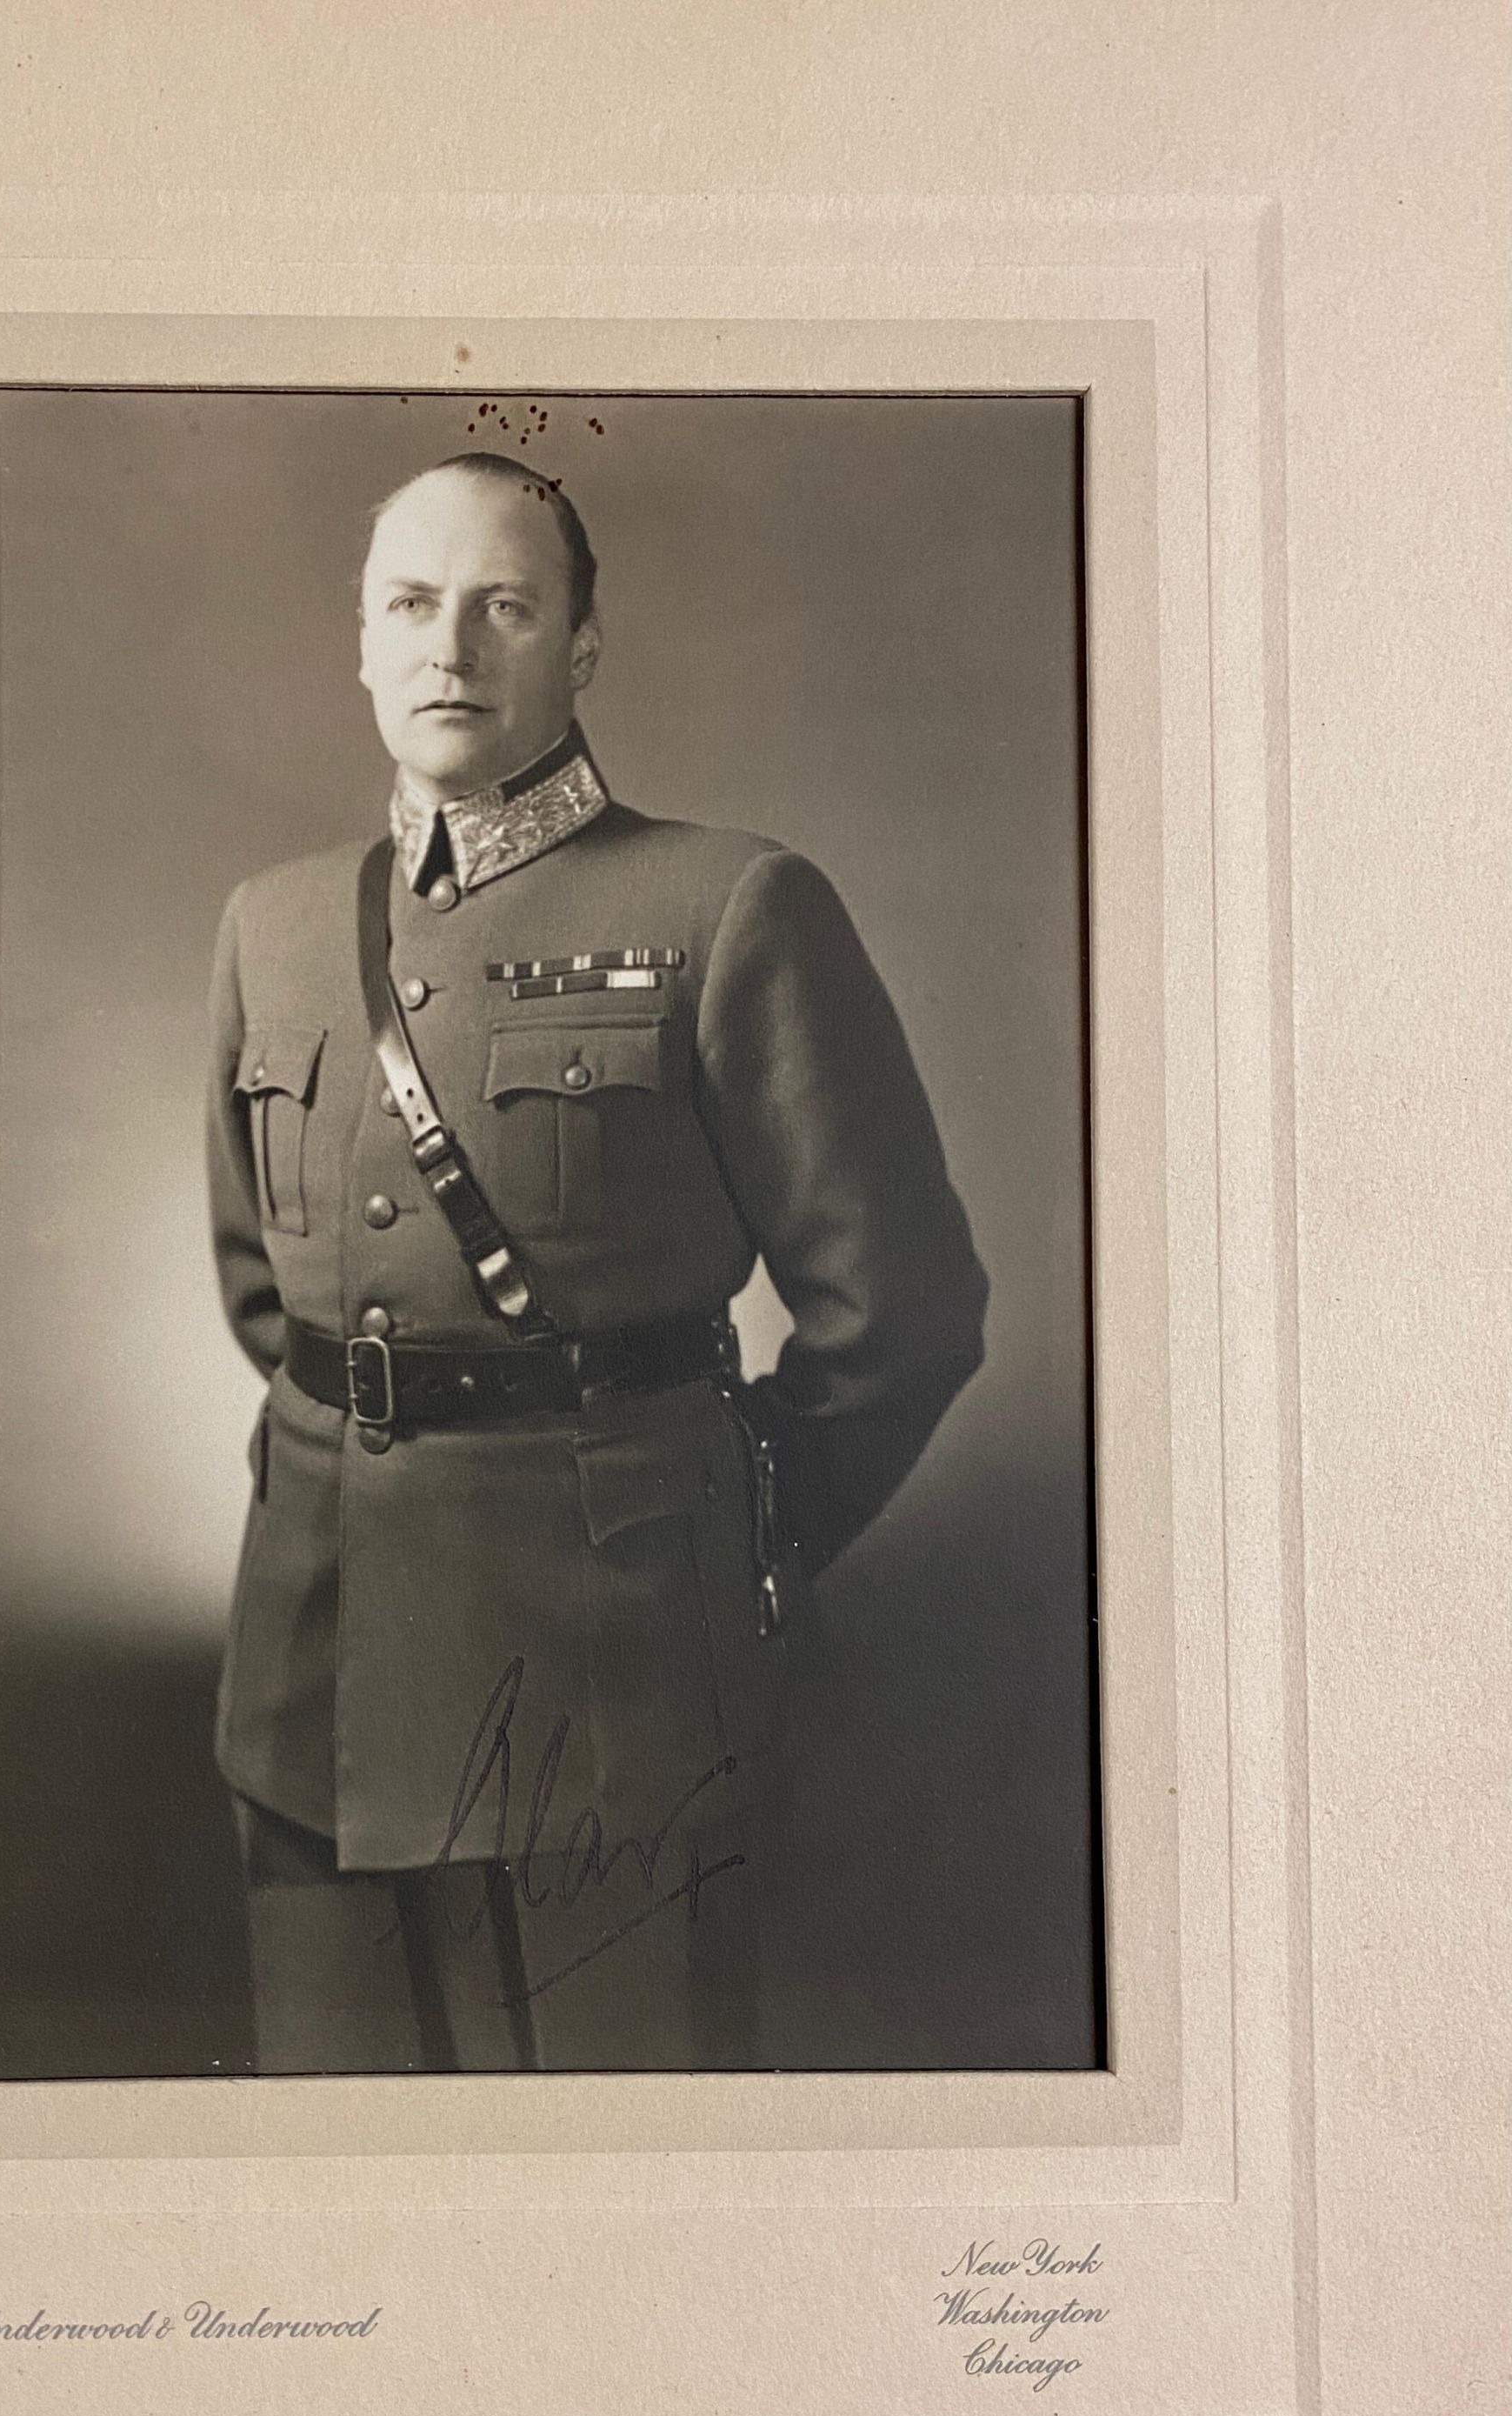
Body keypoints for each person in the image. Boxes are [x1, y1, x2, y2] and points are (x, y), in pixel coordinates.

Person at [205, 450, 988, 2075]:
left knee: (618, 2183)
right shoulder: (271, 928)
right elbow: (264, 1291)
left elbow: (903, 1311)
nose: (449, 649)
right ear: (361, 640)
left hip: (616, 1682)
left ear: (581, 646)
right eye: (410, 605)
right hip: (314, 1682)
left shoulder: (728, 904)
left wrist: (723, 1536)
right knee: (334, 2176)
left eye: (503, 606)